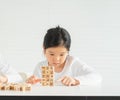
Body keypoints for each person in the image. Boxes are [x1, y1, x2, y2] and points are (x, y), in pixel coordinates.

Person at [26, 26, 102, 86]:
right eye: (51, 54)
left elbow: (96, 77)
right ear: (44, 49)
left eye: (62, 54)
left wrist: (75, 80)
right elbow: (36, 89)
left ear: (68, 51)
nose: (56, 59)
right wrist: (30, 83)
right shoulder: (40, 67)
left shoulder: (73, 64)